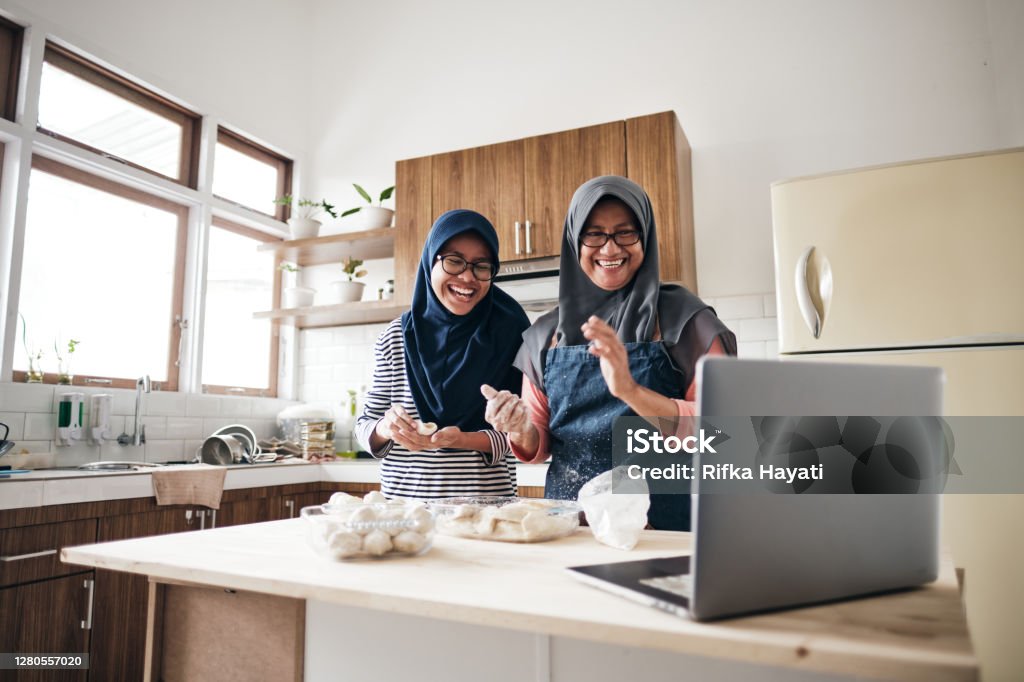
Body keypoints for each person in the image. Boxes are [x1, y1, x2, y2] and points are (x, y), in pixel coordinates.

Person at [481, 176, 736, 530]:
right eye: (594, 234)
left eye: (625, 232)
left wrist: (631, 392)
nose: (610, 249)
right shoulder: (543, 335)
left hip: (664, 530)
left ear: (644, 236)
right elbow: (536, 445)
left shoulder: (688, 321)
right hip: (572, 528)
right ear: (575, 241)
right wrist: (519, 427)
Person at [355, 209, 530, 499]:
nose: (467, 277)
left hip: (485, 513)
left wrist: (463, 440)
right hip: (404, 512)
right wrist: (388, 428)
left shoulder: (510, 333)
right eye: (454, 261)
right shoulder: (395, 337)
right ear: (430, 261)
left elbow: (524, 434)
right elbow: (365, 427)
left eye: (481, 266)